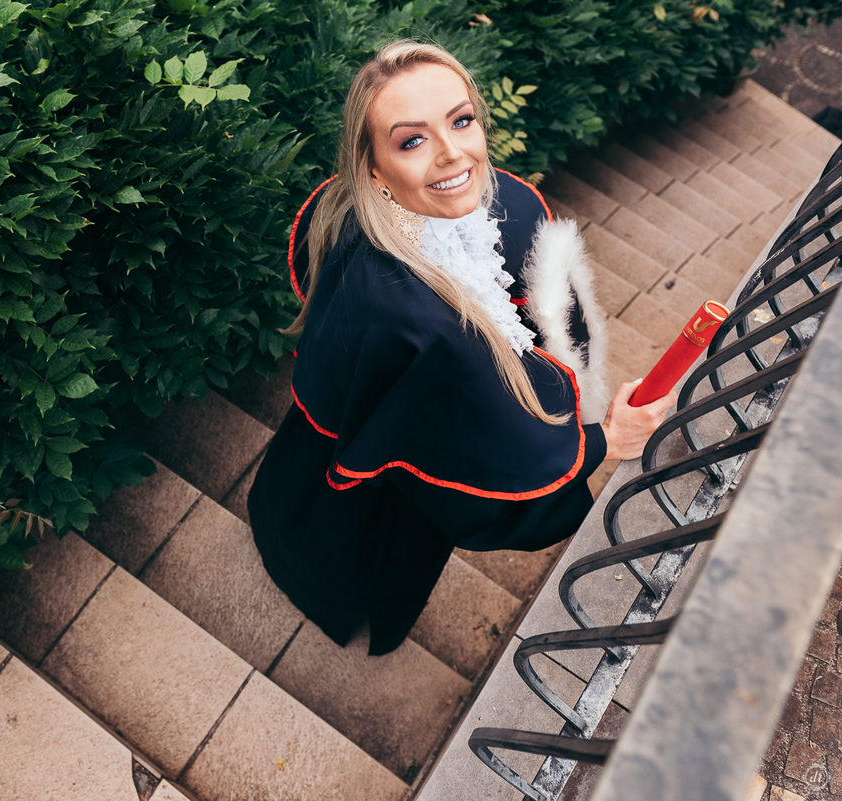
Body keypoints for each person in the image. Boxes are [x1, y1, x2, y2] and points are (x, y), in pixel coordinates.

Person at [247, 40, 677, 657]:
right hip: (401, 479)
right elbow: (494, 456)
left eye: (461, 120)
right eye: (411, 140)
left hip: (331, 426)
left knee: (304, 499)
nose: (453, 154)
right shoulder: (426, 320)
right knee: (367, 547)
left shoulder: (353, 211)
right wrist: (609, 439)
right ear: (373, 167)